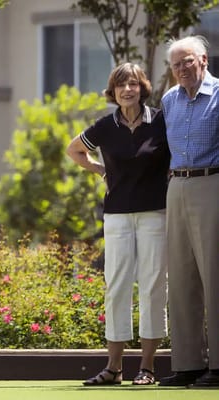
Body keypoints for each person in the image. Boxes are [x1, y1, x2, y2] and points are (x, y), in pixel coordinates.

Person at [66, 63, 169, 386]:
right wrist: (100, 170)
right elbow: (75, 150)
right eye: (121, 85)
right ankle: (114, 368)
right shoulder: (105, 126)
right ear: (113, 92)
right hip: (117, 215)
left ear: (142, 88)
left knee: (153, 285)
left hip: (155, 213)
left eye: (134, 84)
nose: (128, 90)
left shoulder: (161, 121)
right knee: (117, 286)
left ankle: (148, 368)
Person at [158, 35, 219, 388]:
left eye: (188, 61)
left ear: (204, 60)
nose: (182, 69)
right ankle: (188, 363)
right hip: (176, 186)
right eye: (176, 64)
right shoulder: (169, 100)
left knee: (214, 276)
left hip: (212, 183)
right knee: (180, 278)